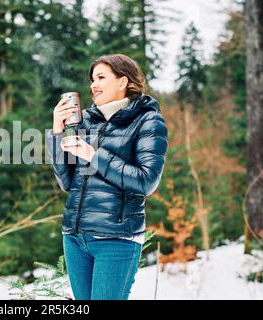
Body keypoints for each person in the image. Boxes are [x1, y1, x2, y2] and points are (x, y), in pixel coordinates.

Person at [46, 53, 168, 300]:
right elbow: (67, 182)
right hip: (75, 237)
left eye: (101, 77)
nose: (93, 84)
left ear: (123, 81)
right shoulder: (86, 121)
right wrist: (57, 132)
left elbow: (146, 181)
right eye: (92, 79)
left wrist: (93, 155)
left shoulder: (148, 120)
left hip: (116, 239)